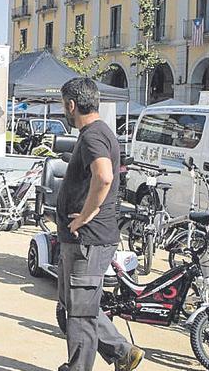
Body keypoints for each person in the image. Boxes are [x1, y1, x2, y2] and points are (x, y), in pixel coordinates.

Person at [56, 78, 144, 371]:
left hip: (87, 240)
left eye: (63, 105)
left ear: (72, 105)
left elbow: (104, 176)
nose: (64, 111)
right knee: (74, 305)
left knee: (79, 313)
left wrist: (85, 215)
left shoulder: (93, 136)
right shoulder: (101, 131)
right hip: (86, 240)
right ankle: (122, 353)